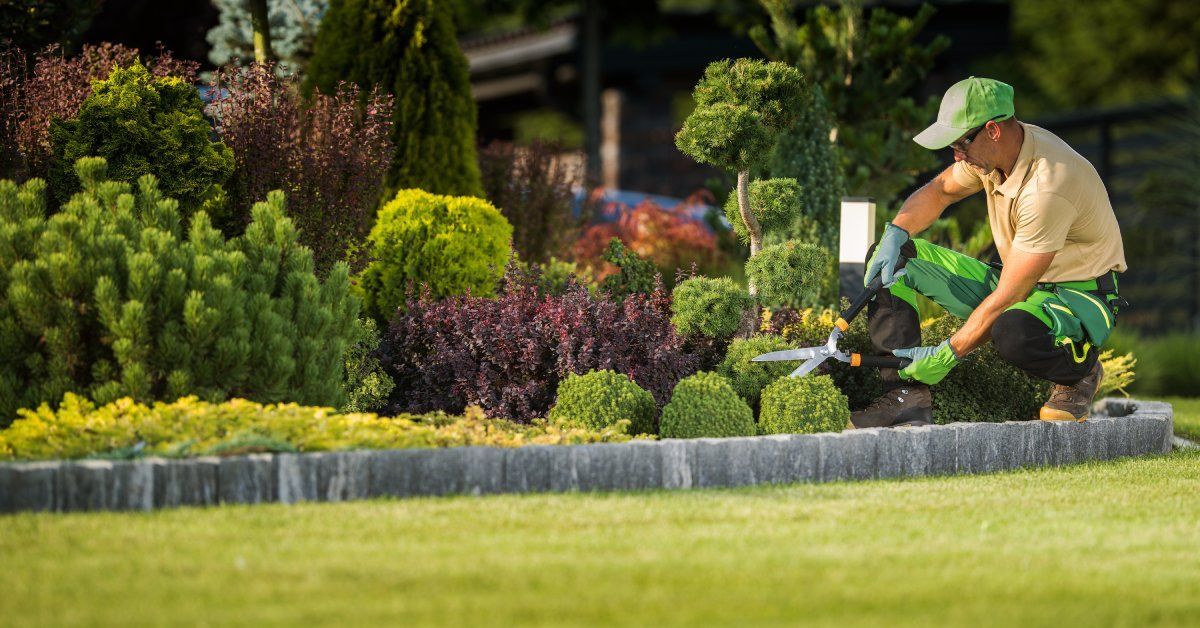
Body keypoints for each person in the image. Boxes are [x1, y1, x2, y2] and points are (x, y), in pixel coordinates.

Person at [852, 76, 1127, 428]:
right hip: (1021, 280)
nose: (956, 155)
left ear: (993, 130)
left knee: (1013, 331)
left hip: (1077, 297)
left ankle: (1081, 371)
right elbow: (940, 192)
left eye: (961, 143)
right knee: (890, 259)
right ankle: (907, 395)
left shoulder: (1048, 187)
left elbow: (1011, 295)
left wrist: (948, 352)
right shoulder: (993, 156)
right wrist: (896, 230)